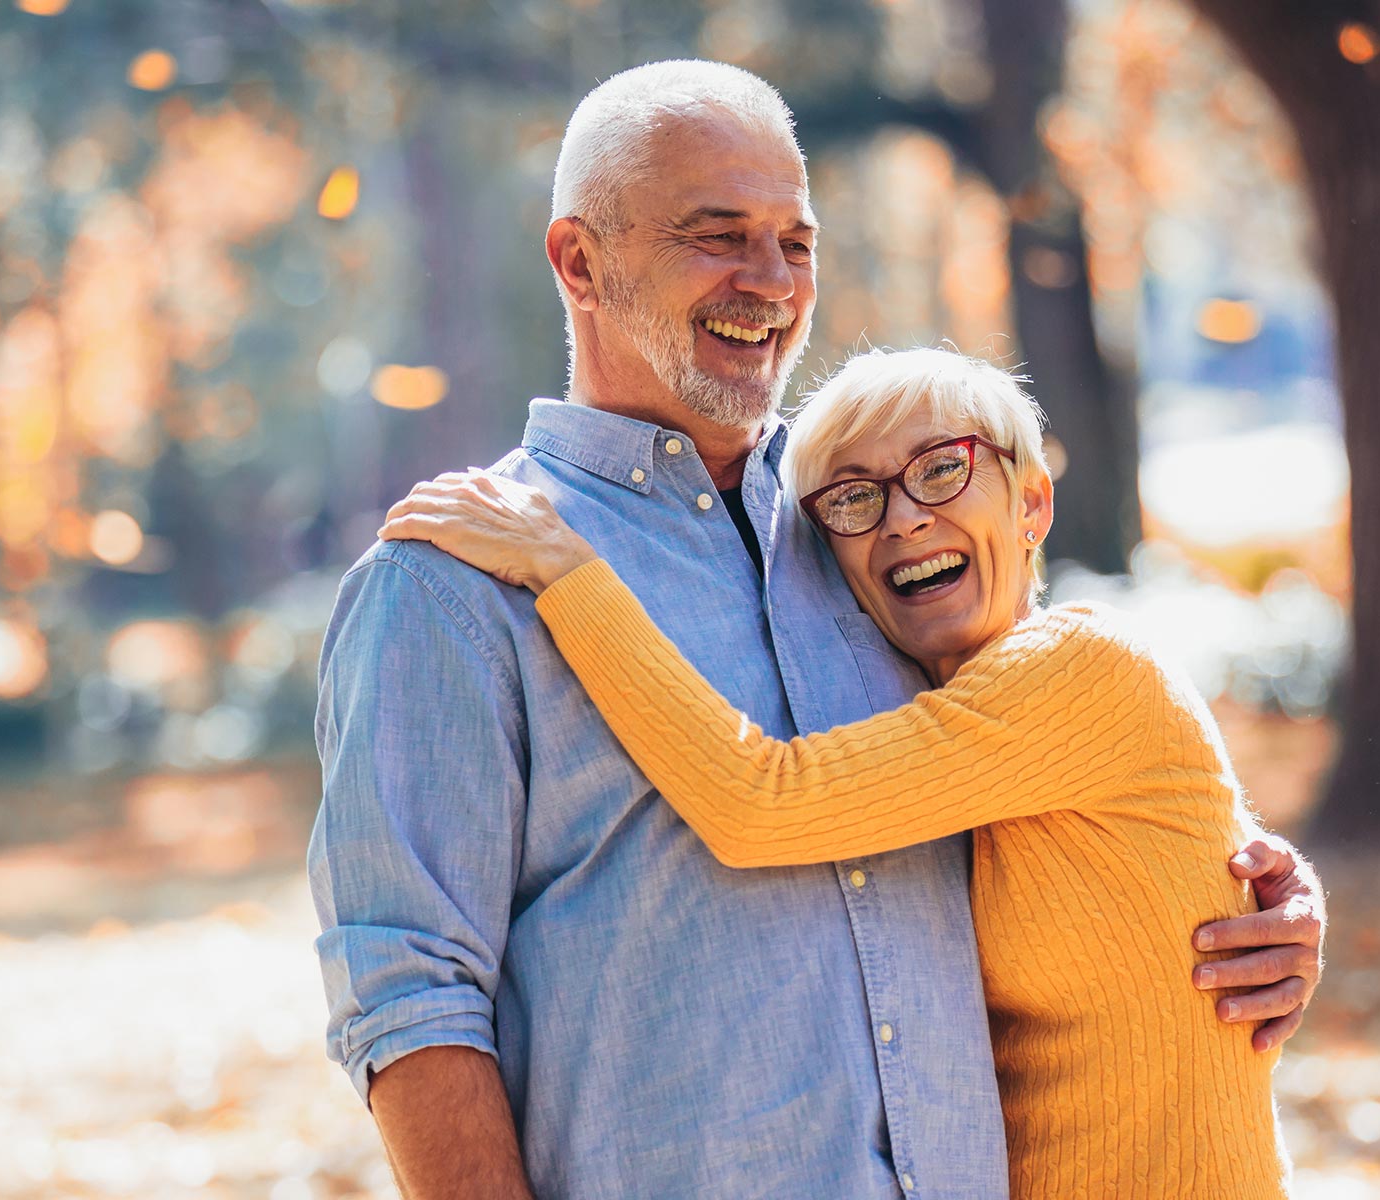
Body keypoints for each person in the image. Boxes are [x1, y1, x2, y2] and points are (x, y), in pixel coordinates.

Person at [309, 59, 1325, 1200]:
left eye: (795, 242)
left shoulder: (875, 528)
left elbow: (1071, 781)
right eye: (717, 235)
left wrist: (1262, 900)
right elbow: (410, 995)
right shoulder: (453, 579)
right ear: (579, 261)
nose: (770, 281)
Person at [383, 347, 1292, 1198]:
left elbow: (759, 802)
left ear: (1032, 504)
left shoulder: (1086, 667)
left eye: (943, 468)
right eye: (854, 499)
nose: (903, 516)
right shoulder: (928, 725)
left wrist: (567, 571)